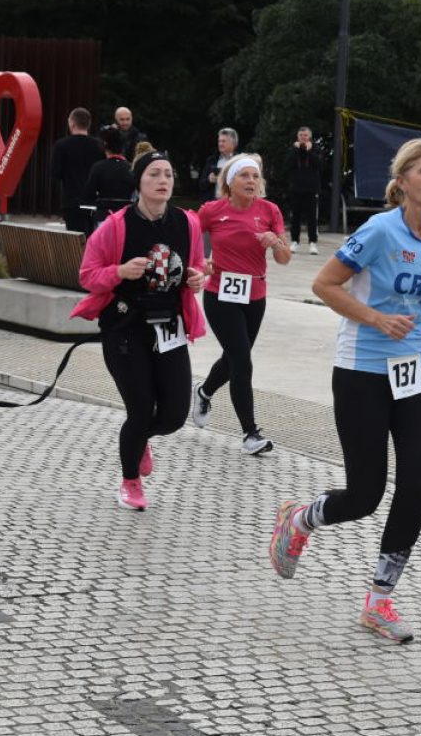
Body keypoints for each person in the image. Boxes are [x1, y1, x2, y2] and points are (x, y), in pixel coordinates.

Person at [268, 138, 421, 643]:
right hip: (362, 371)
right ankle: (301, 519)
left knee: (415, 487)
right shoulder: (379, 230)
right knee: (365, 494)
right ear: (402, 181)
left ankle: (379, 600)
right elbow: (324, 285)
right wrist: (376, 319)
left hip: (414, 373)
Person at [71, 151, 207, 511]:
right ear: (139, 182)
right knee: (141, 410)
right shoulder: (115, 226)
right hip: (125, 328)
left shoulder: (187, 223)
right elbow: (87, 276)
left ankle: (140, 437)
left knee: (174, 415)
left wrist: (197, 278)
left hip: (169, 328)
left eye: (168, 174)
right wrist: (118, 272)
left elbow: (195, 266)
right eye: (154, 174)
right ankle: (130, 481)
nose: (163, 180)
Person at [191, 153, 289, 454]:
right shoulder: (213, 210)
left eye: (255, 176)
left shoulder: (270, 210)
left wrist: (275, 242)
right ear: (230, 182)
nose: (251, 181)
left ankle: (204, 391)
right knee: (242, 361)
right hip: (220, 295)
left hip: (254, 296)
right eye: (244, 176)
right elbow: (189, 235)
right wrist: (200, 260)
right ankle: (250, 434)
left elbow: (284, 258)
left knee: (234, 358)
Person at [50, 108, 104, 232]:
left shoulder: (61, 145)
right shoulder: (99, 146)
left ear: (72, 123)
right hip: (93, 201)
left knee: (75, 238)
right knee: (92, 237)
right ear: (89, 124)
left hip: (72, 201)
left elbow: (55, 173)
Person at [83, 127, 135, 228]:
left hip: (103, 217)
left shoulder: (98, 167)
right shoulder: (131, 168)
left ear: (104, 144)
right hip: (126, 217)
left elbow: (88, 193)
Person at [283, 126, 323, 254]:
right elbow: (287, 165)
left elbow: (320, 165)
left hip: (311, 189)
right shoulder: (293, 149)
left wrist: (309, 151)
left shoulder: (316, 148)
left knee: (312, 217)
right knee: (295, 216)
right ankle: (295, 241)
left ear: (309, 136)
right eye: (301, 135)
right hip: (296, 188)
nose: (303, 138)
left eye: (305, 135)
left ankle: (313, 242)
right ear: (298, 137)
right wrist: (296, 150)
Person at [198, 128, 239, 204]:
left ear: (233, 143)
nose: (220, 144)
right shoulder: (212, 160)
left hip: (233, 204)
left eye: (223, 141)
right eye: (219, 141)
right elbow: (201, 185)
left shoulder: (240, 161)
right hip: (214, 204)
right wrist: (209, 180)